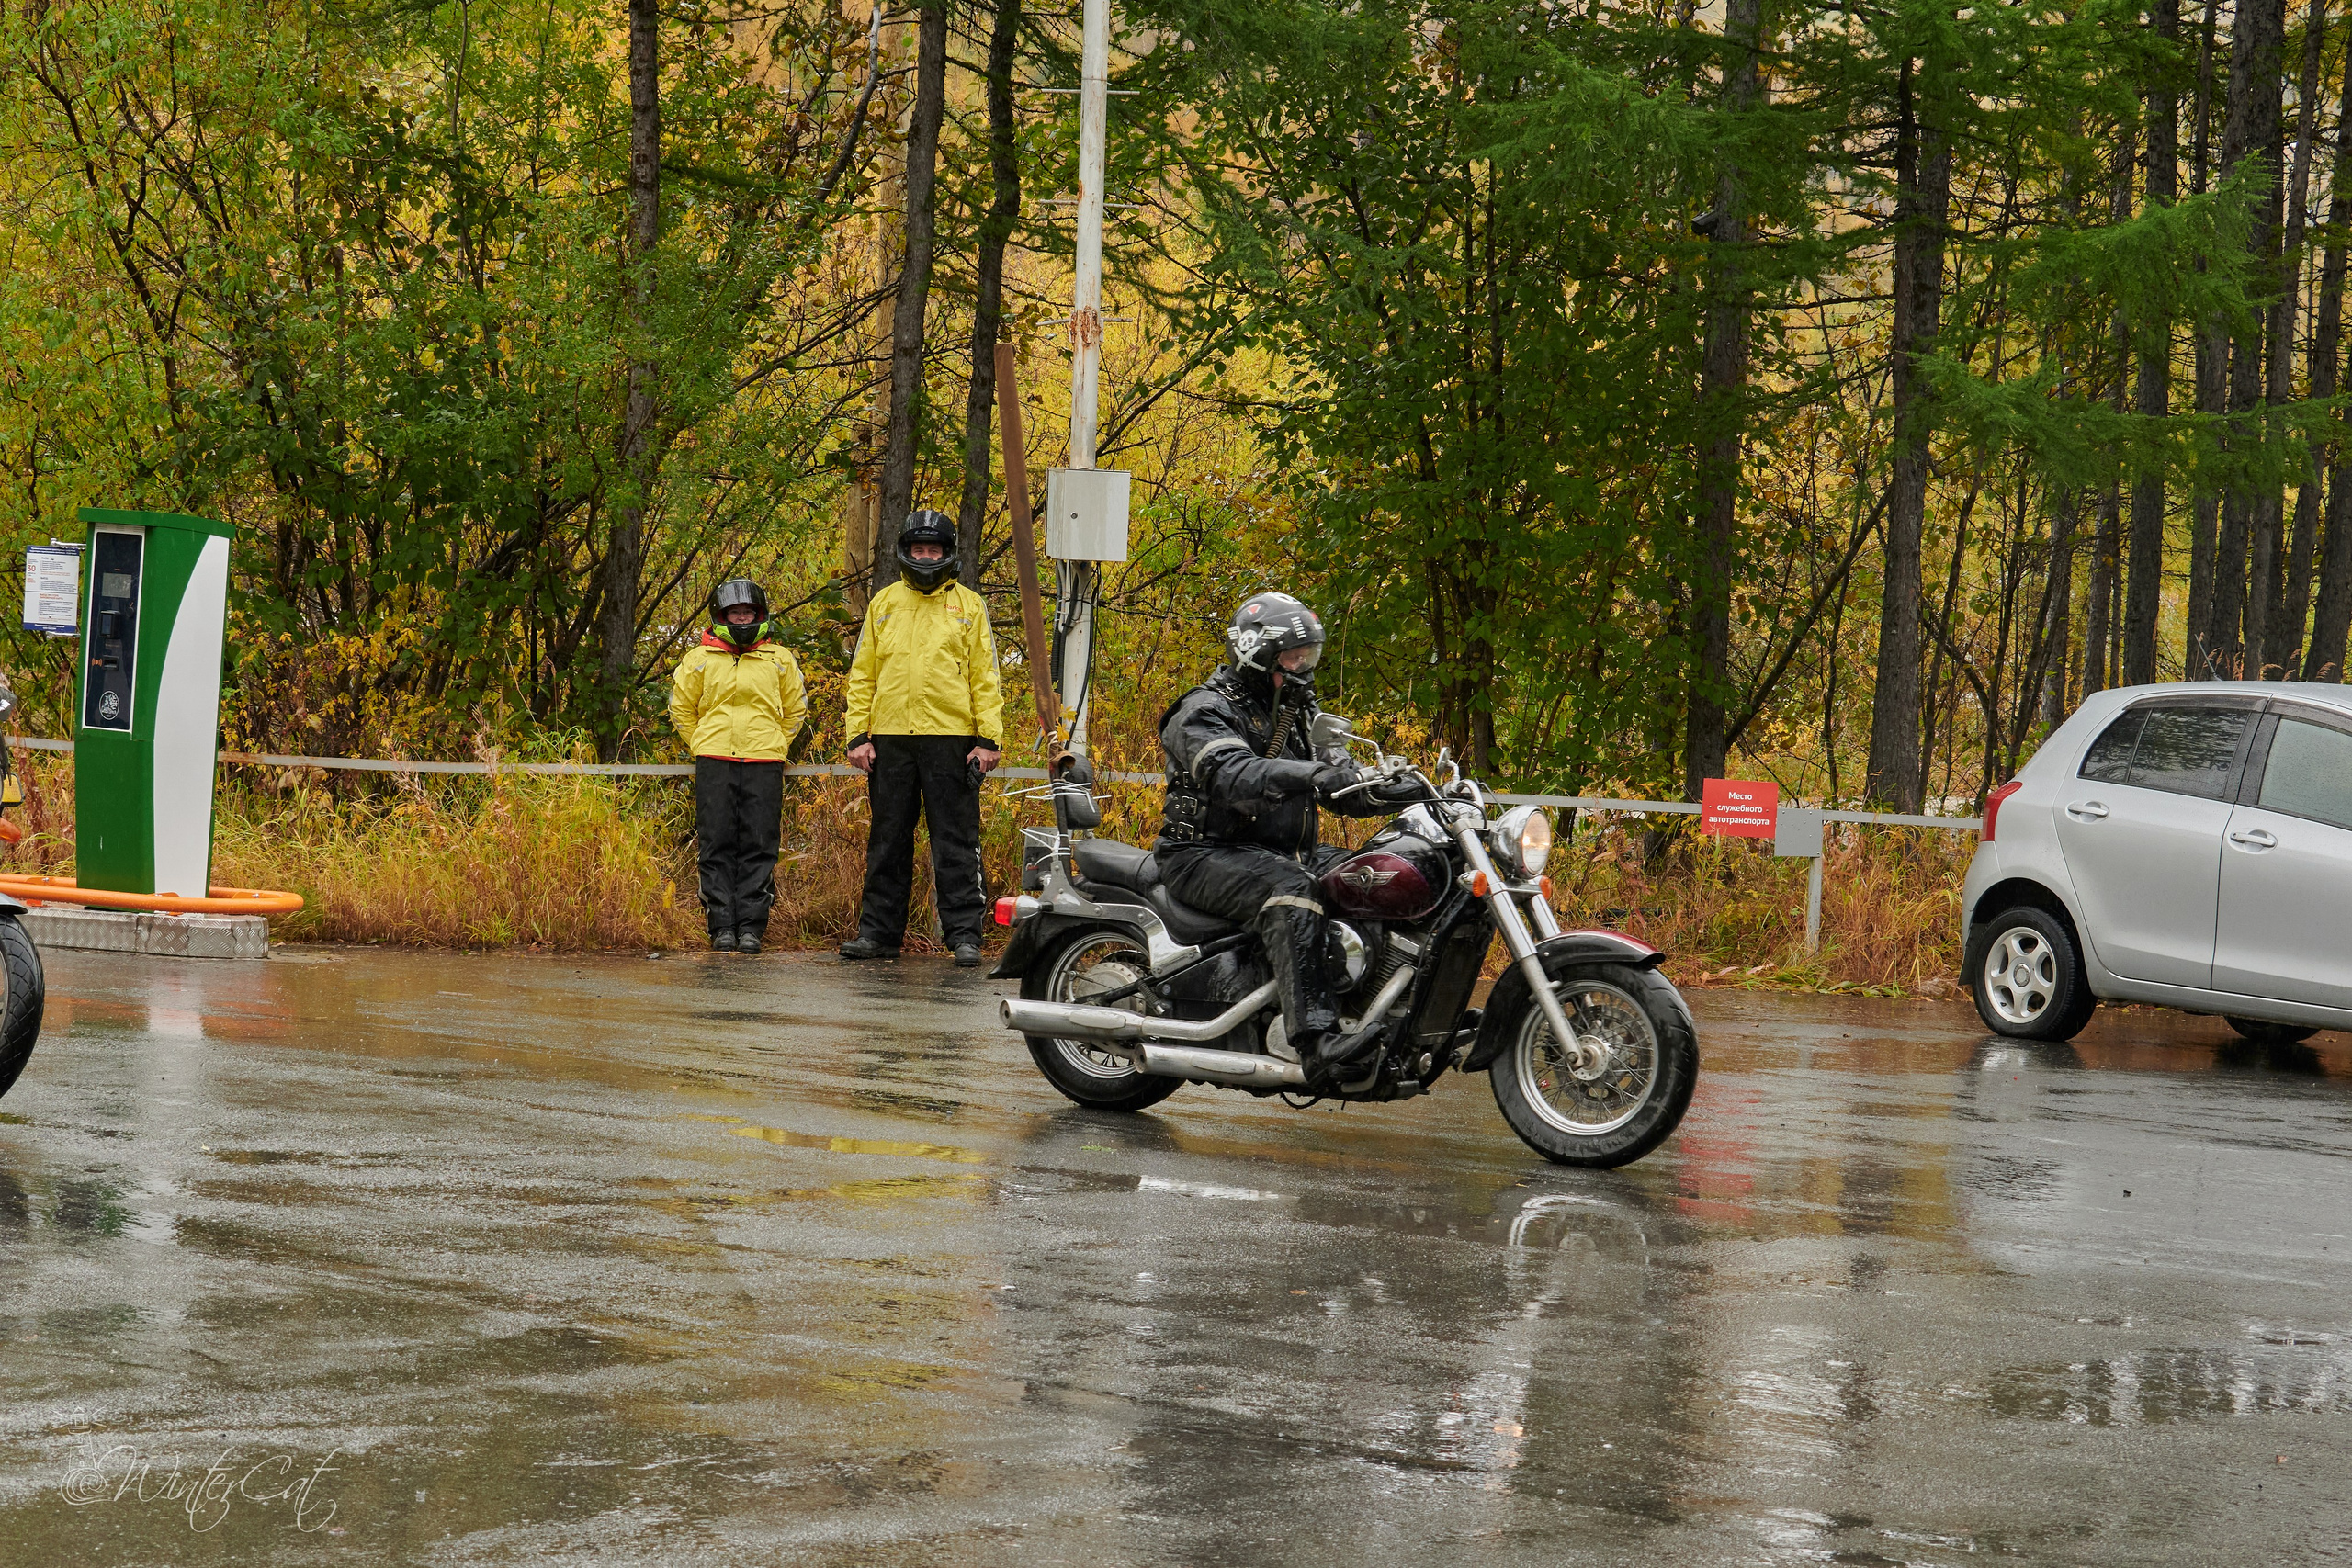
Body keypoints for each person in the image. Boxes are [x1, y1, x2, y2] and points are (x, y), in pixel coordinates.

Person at [1155, 592, 1398, 1088]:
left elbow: (1342, 787)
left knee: (1377, 873)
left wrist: (1403, 791)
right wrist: (1310, 773)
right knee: (1293, 893)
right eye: (1294, 657)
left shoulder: (1296, 711)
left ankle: (1381, 1012)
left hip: (1277, 851)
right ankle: (1317, 1042)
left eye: (1309, 655)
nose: (1304, 666)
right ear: (1256, 653)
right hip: (1202, 852)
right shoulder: (1202, 710)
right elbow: (1232, 774)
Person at [840, 510, 1004, 966]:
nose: (925, 556)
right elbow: (863, 674)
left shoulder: (970, 605)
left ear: (948, 554)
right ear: (905, 552)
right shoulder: (884, 603)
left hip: (951, 739)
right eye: (918, 549)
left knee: (955, 841)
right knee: (888, 839)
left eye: (933, 549)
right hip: (890, 738)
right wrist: (857, 735)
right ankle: (878, 935)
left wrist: (988, 739)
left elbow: (985, 675)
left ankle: (966, 936)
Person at [669, 578, 808, 954]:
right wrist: (701, 742)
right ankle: (722, 927)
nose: (742, 618)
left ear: (760, 615)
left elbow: (795, 709)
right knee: (716, 843)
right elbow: (681, 709)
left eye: (747, 612)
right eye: (735, 613)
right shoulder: (698, 659)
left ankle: (751, 928)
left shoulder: (779, 659)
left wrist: (778, 742)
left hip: (764, 760)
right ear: (720, 617)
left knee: (759, 844)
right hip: (715, 759)